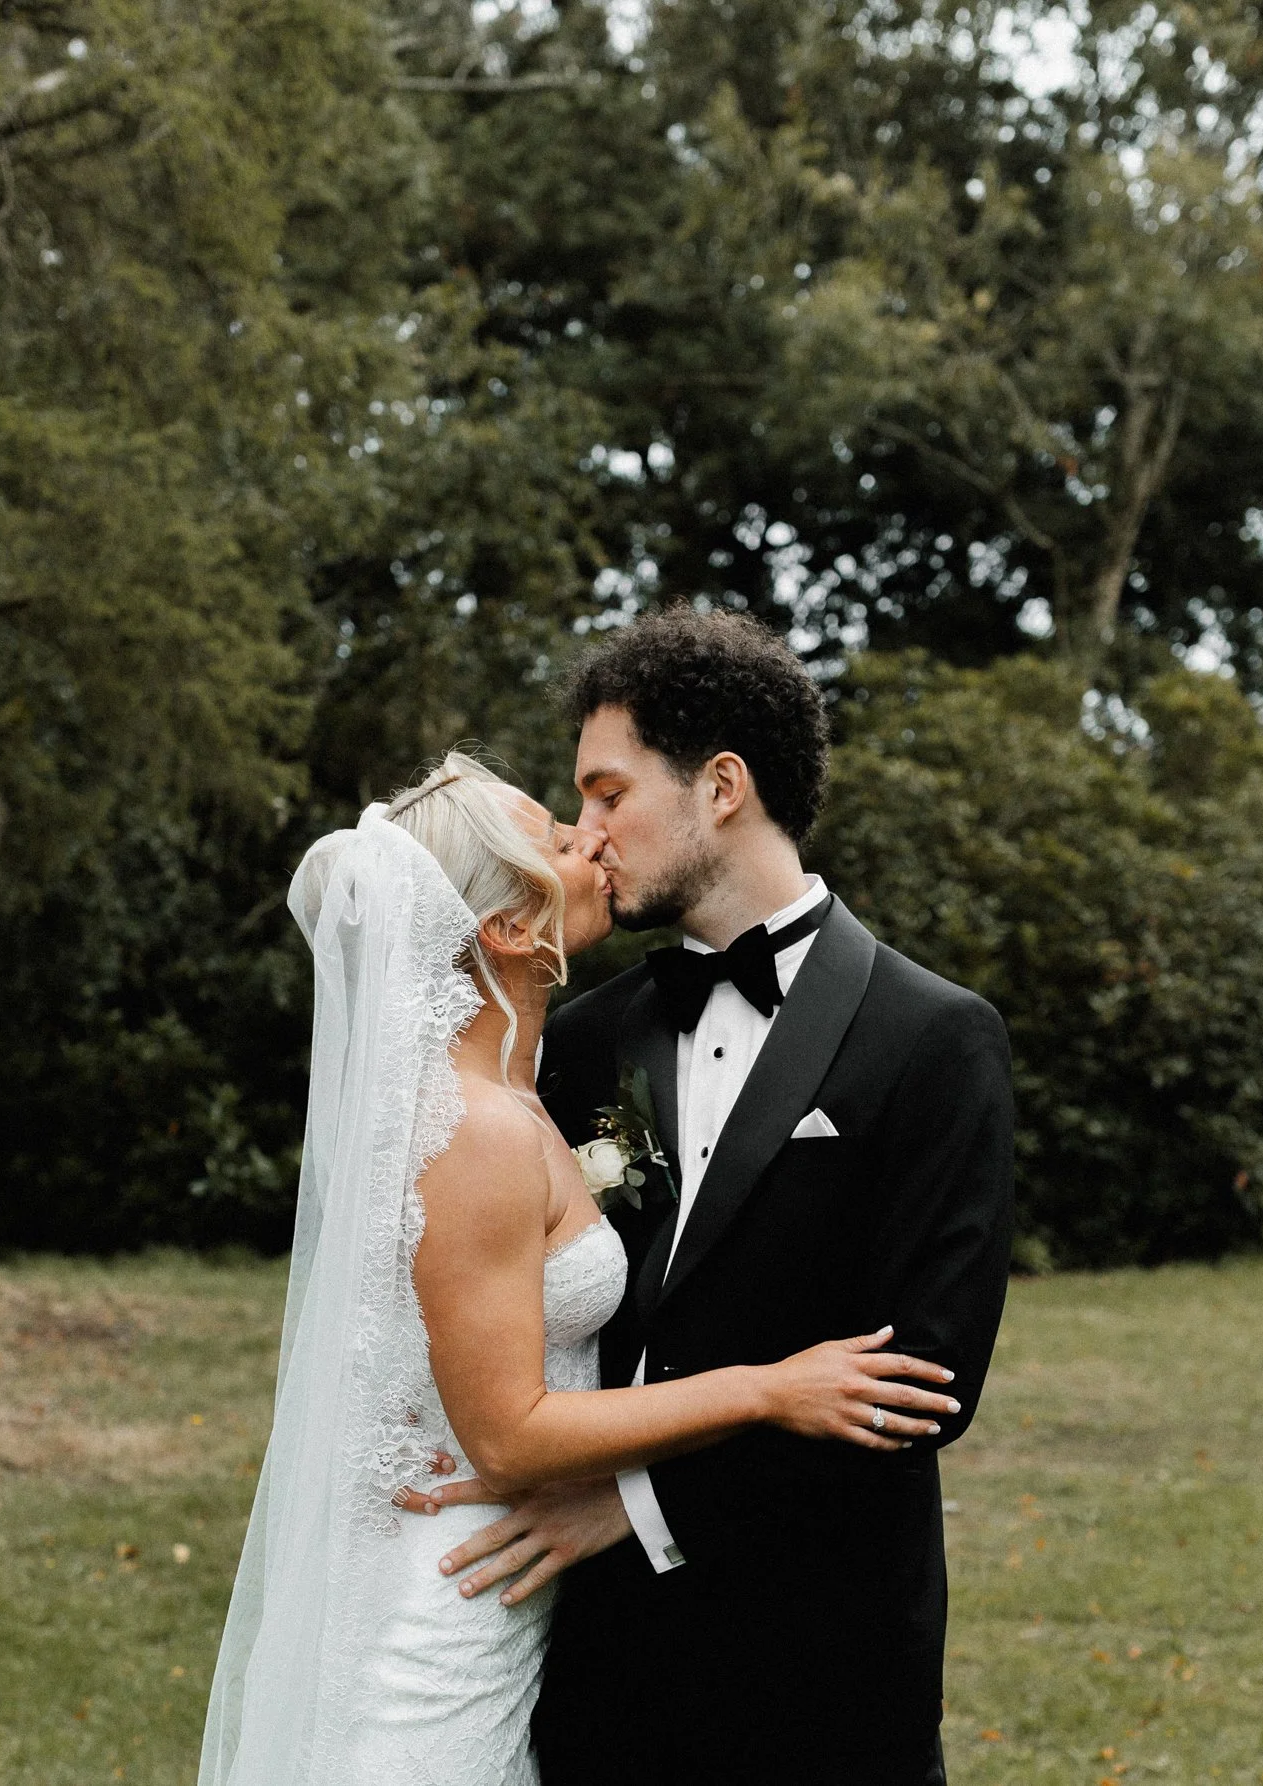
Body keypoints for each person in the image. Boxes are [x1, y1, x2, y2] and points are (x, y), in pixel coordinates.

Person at [197, 751, 959, 1786]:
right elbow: (508, 1436)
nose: (593, 838)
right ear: (510, 929)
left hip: (516, 1600)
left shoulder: (526, 1091)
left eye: (598, 805)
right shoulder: (478, 1129)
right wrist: (768, 1388)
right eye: (563, 836)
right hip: (448, 1614)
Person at [425, 611, 1018, 1785]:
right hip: (601, 1666)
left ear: (723, 786)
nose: (587, 834)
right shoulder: (582, 1043)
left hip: (825, 1667)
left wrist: (640, 1505)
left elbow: (923, 1385)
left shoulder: (935, 1039)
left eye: (608, 793)